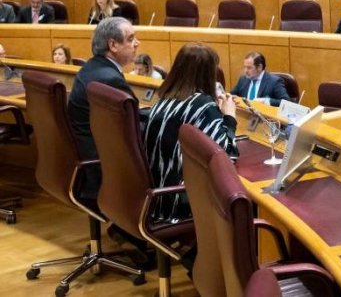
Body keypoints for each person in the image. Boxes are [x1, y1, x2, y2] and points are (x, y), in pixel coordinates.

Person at [144, 42, 237, 222]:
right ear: (207, 74)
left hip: (153, 199)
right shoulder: (203, 105)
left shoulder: (163, 100)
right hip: (178, 203)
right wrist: (229, 116)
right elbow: (227, 156)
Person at [68, 17, 140, 199]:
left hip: (89, 154)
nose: (137, 43)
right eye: (131, 39)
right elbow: (132, 128)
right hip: (101, 166)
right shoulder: (110, 79)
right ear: (113, 45)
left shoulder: (92, 67)